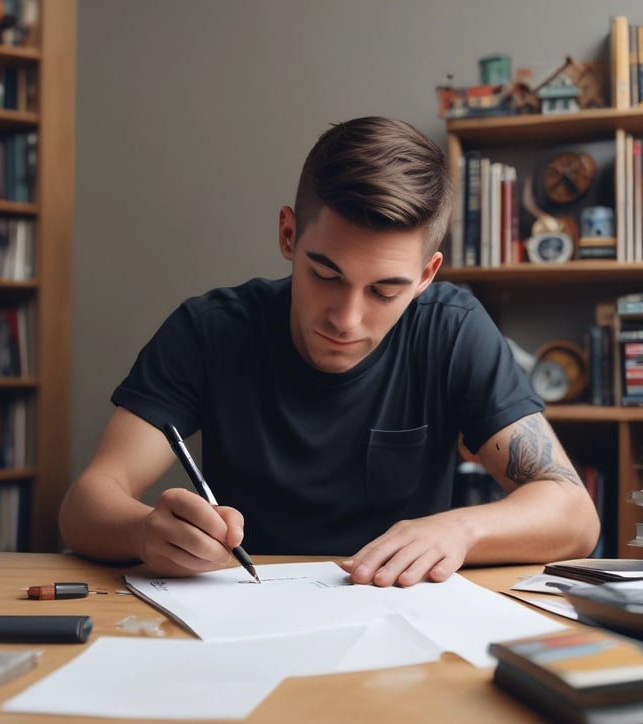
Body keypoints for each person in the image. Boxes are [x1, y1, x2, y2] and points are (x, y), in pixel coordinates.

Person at [59, 116, 600, 587]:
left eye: (385, 291)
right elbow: (86, 503)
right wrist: (144, 530)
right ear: (289, 235)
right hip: (240, 613)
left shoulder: (453, 330)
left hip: (398, 622)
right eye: (325, 274)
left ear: (425, 277)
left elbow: (575, 514)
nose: (347, 319)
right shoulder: (210, 330)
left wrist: (461, 528)